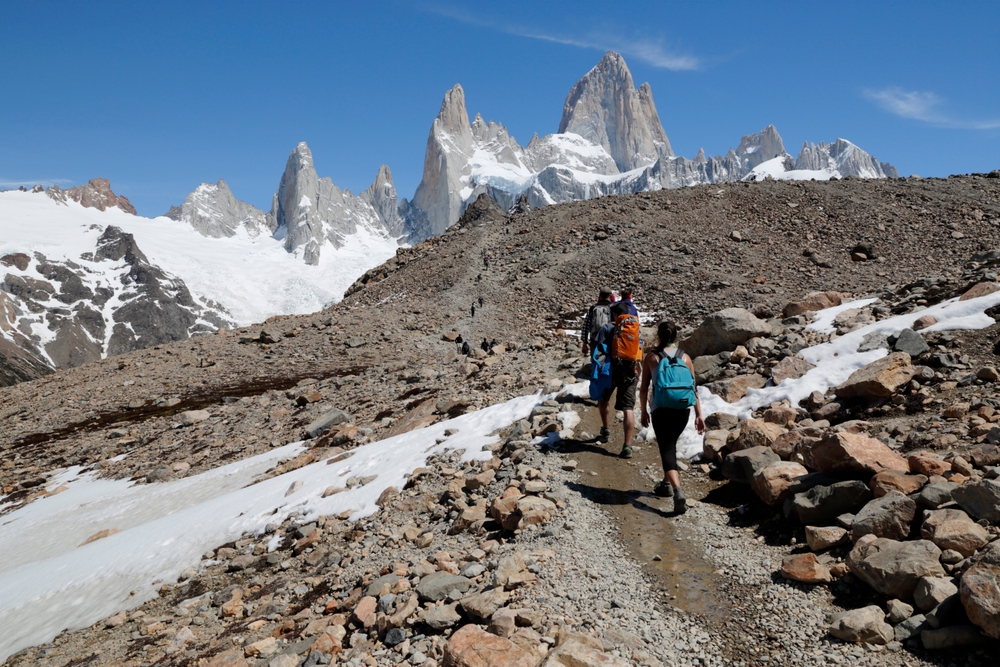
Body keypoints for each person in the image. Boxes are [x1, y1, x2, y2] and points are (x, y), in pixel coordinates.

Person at [639, 321, 706, 513]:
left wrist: (643, 410)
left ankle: (677, 490)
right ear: (676, 337)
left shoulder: (652, 358)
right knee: (671, 444)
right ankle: (665, 484)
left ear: (659, 337)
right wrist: (699, 414)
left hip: (661, 409)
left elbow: (644, 388)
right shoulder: (685, 358)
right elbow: (694, 389)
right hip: (683, 408)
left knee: (667, 449)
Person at [596, 301, 642, 457]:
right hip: (630, 371)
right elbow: (639, 351)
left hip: (610, 372)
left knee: (603, 399)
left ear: (615, 315)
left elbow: (599, 351)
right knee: (628, 408)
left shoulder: (607, 328)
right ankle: (627, 445)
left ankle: (605, 429)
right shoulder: (636, 329)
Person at [581, 287, 613, 357]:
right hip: (609, 339)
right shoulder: (612, 307)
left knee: (595, 360)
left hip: (594, 338)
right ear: (610, 295)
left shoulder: (593, 307)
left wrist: (584, 343)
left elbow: (586, 325)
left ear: (600, 295)